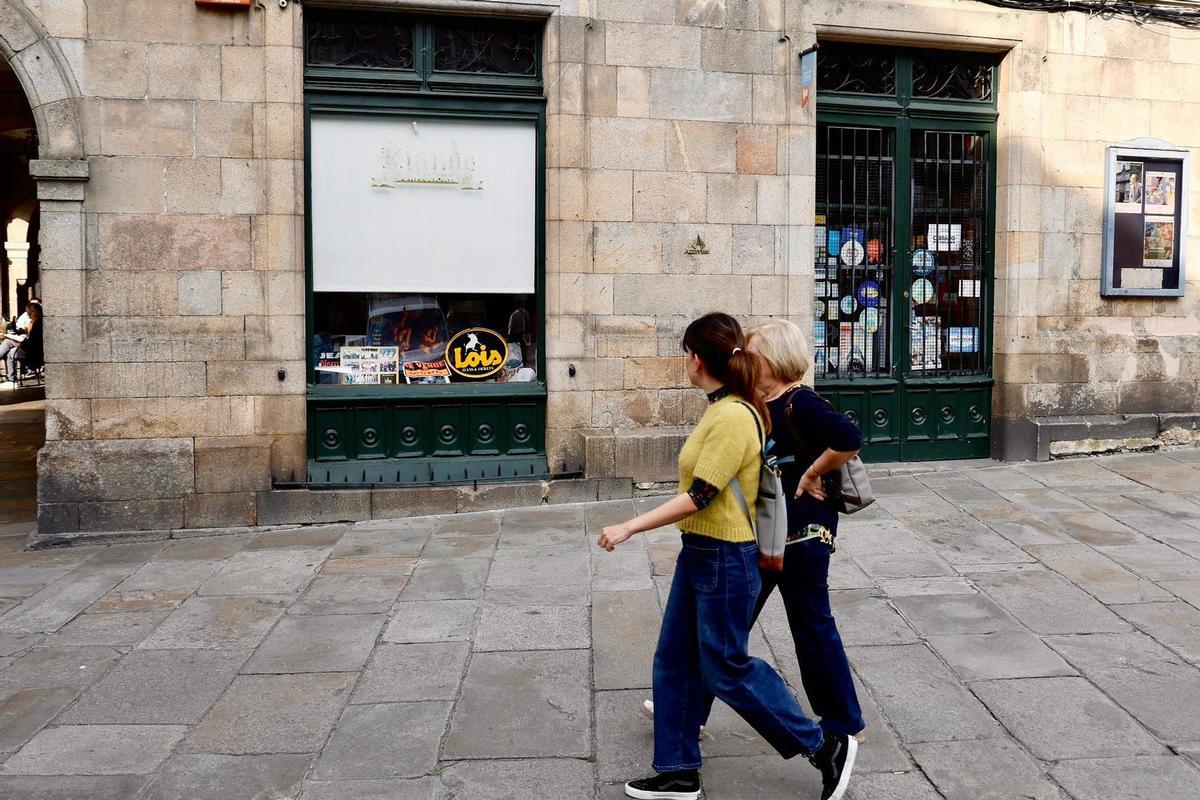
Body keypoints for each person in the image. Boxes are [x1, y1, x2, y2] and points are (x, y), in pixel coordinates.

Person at [597, 312, 856, 800]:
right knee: (675, 659)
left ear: (696, 359)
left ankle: (825, 747)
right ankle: (677, 771)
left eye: (684, 355)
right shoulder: (725, 407)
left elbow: (701, 494)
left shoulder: (734, 414)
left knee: (726, 667)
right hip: (701, 550)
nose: (684, 363)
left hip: (723, 556)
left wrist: (630, 525)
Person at [2, 300, 41, 383]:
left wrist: (20, 343)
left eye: (29, 314)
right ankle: (11, 378)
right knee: (10, 350)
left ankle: (11, 377)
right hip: (29, 348)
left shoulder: (37, 324)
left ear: (34, 312)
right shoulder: (35, 322)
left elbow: (32, 343)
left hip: (32, 352)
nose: (29, 316)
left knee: (8, 343)